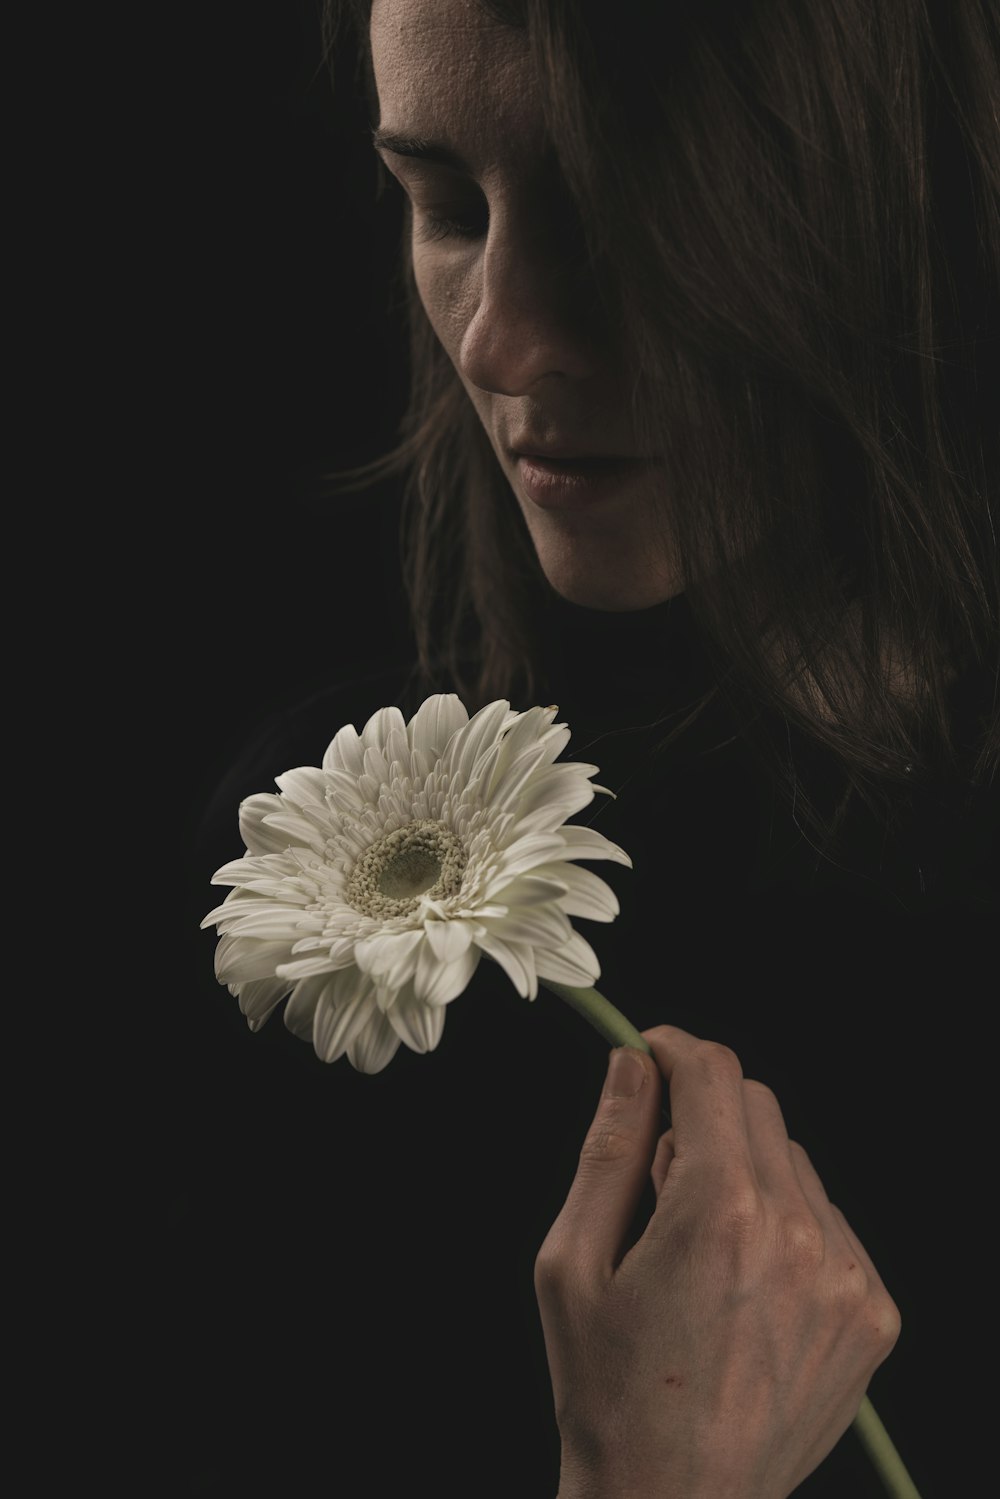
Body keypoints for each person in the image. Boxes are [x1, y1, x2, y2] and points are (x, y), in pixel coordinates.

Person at [186, 1, 997, 1494]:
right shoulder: (322, 904)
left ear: (895, 197)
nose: (497, 335)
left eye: (620, 217)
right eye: (442, 205)